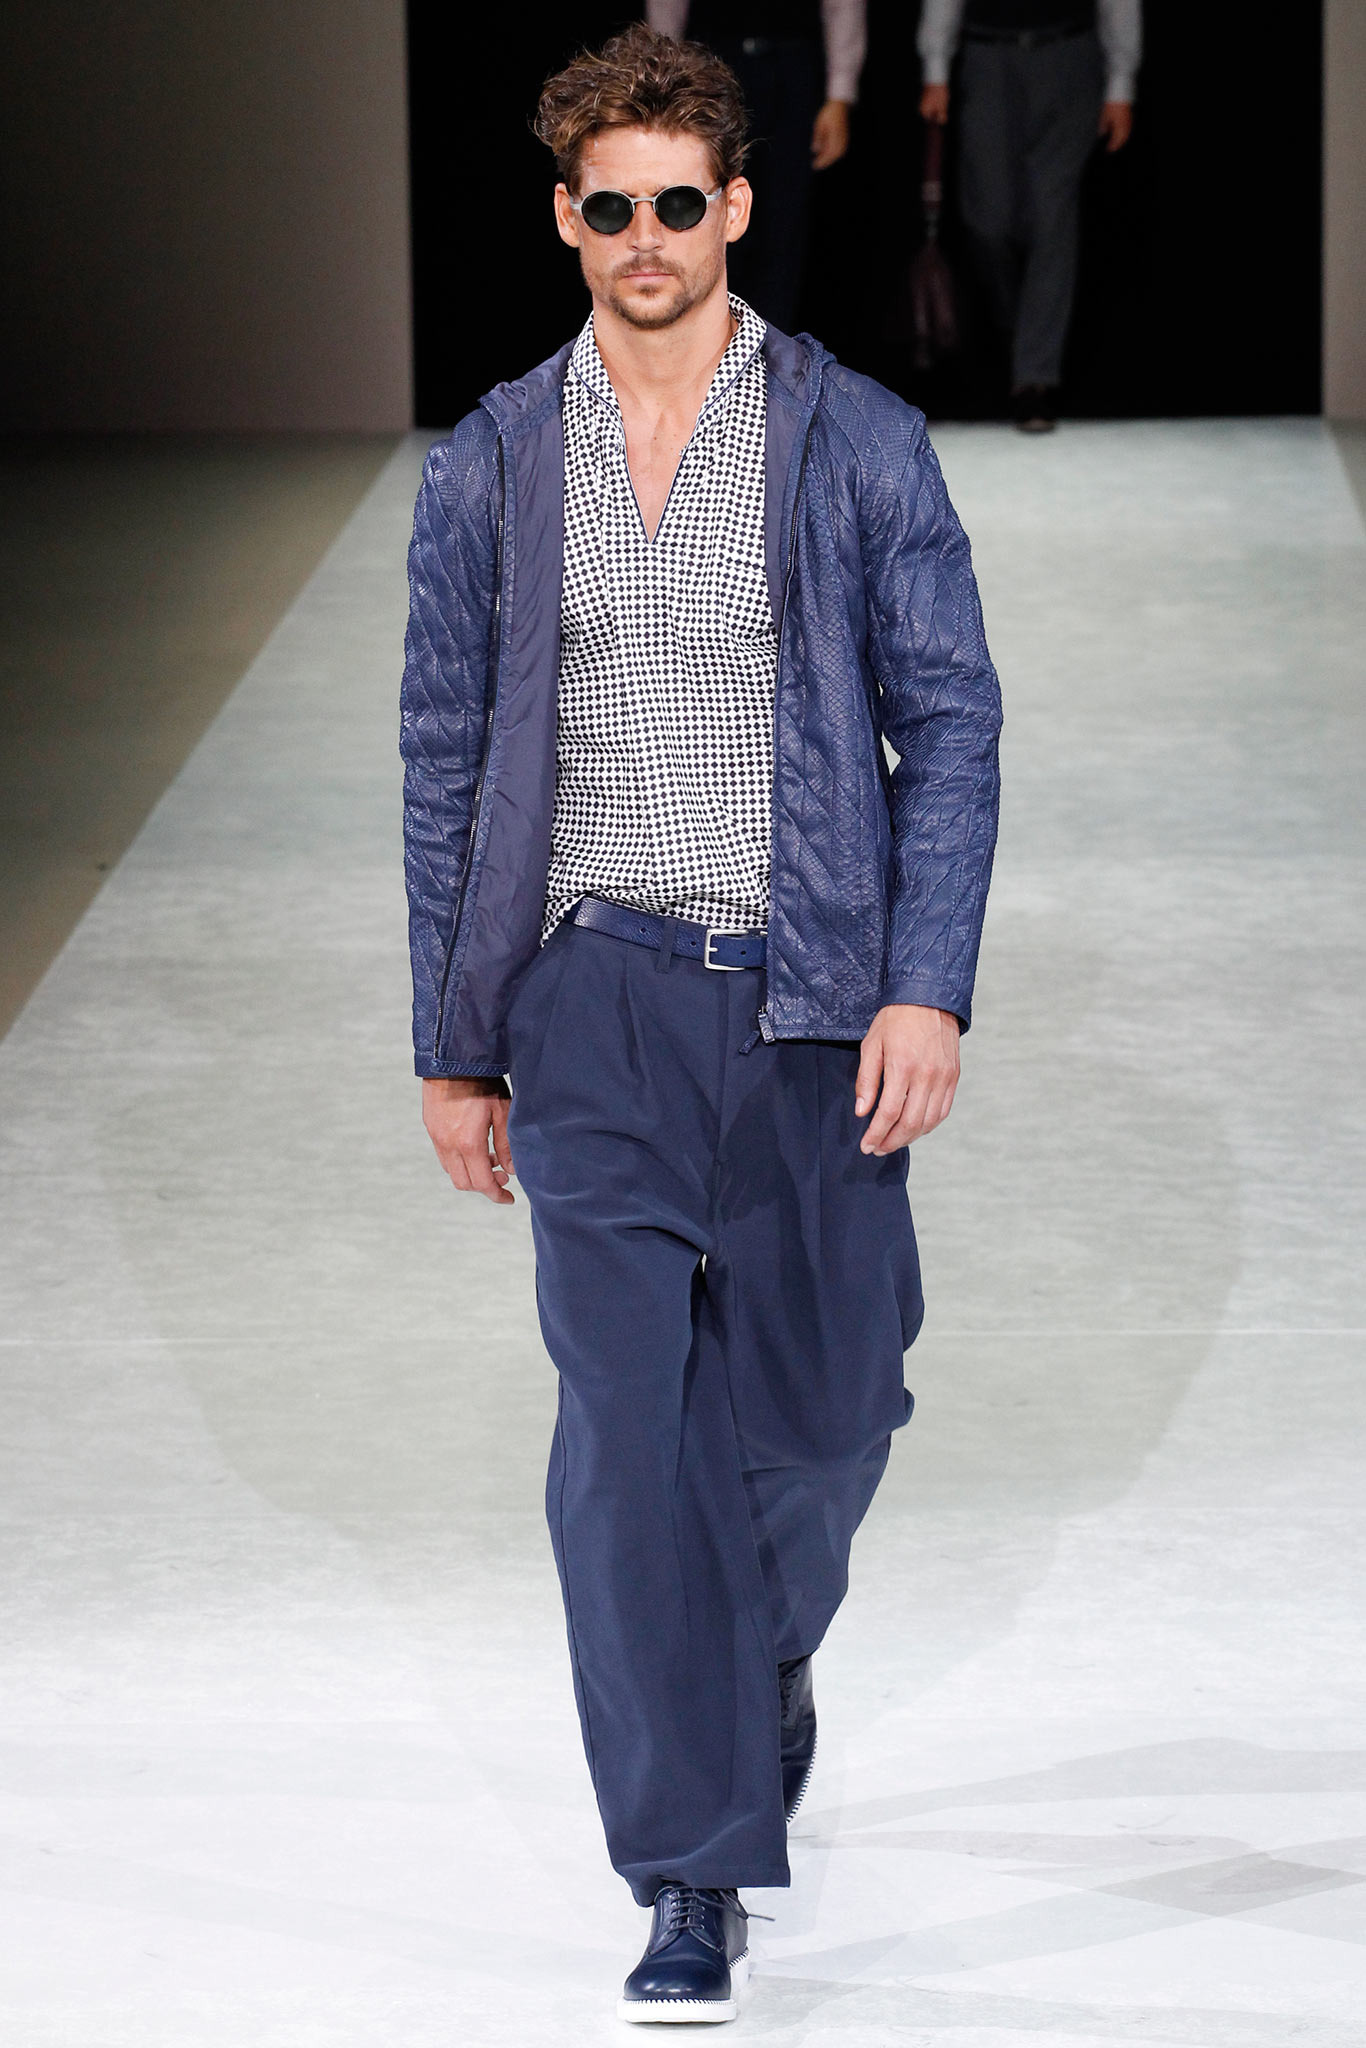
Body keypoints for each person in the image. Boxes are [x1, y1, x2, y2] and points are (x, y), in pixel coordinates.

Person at [400, 22, 1001, 2025]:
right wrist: (455, 1037)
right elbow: (442, 754)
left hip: (811, 1001)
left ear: (735, 205)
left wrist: (922, 980)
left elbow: (951, 724)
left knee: (827, 1417)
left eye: (679, 199)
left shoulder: (853, 439)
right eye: (611, 206)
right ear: (565, 219)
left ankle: (760, 1653)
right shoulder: (496, 460)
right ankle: (686, 1860)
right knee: (630, 1440)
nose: (645, 234)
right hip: (590, 998)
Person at [918, 0, 1141, 430]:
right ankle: (1020, 327)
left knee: (1053, 213)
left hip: (1070, 53)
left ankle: (1034, 380)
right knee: (988, 219)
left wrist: (1121, 83)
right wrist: (935, 69)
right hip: (987, 54)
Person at [645, 0, 866, 332]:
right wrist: (661, 82)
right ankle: (703, 341)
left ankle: (767, 350)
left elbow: (843, 6)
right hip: (707, 66)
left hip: (792, 65)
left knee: (783, 224)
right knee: (703, 212)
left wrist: (840, 96)